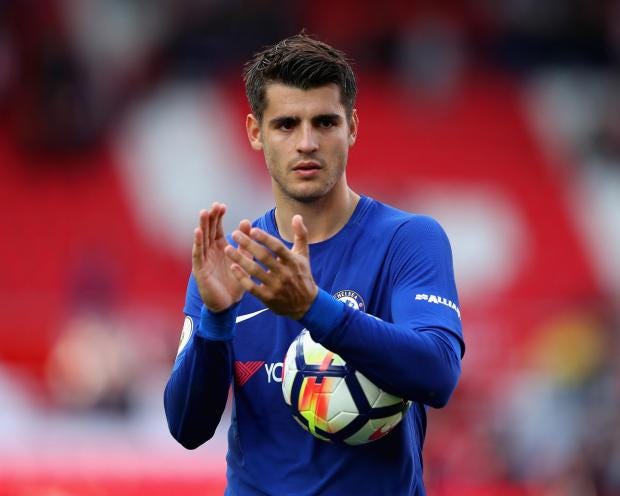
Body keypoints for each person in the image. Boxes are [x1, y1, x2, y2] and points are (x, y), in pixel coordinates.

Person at [164, 32, 464, 495]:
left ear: (352, 127)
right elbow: (188, 428)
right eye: (286, 125)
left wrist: (313, 308)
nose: (307, 143)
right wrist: (216, 320)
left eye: (324, 122)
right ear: (255, 132)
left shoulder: (408, 240)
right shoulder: (233, 261)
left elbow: (438, 374)